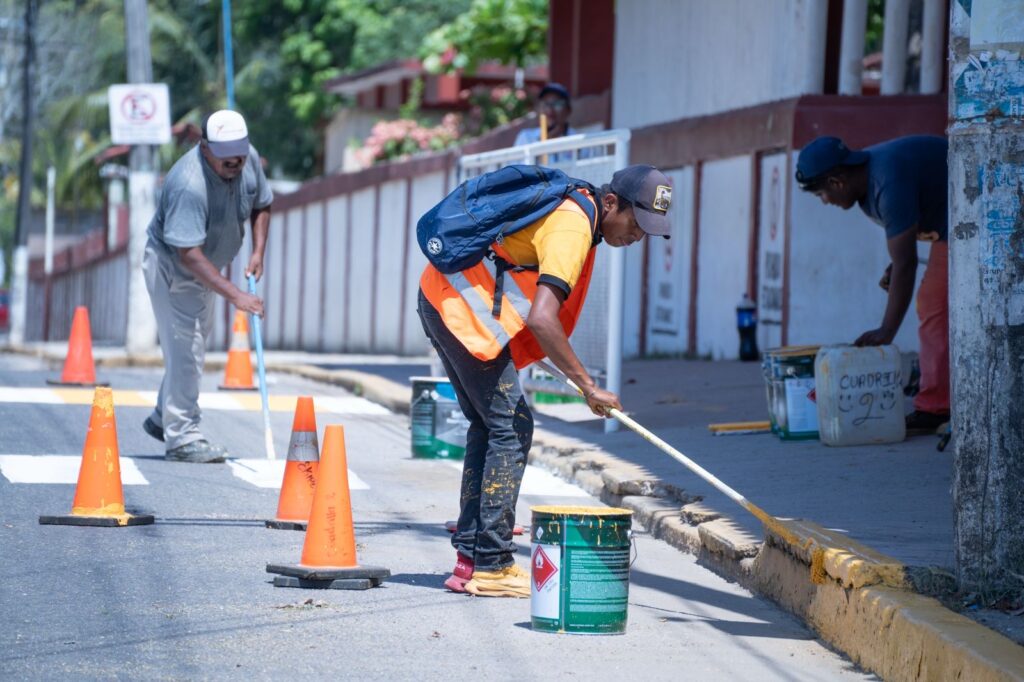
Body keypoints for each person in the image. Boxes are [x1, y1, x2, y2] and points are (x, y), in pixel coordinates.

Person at [418, 165, 674, 597]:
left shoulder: (579, 213)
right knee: (511, 427)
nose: (637, 236)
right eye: (636, 223)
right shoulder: (574, 226)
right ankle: (493, 564)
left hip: (443, 299)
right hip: (461, 314)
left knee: (490, 426)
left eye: (647, 230)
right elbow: (542, 318)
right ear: (612, 203)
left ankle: (471, 559)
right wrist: (588, 386)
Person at [141, 110, 272, 463]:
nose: (235, 161)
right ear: (204, 147)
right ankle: (182, 437)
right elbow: (188, 254)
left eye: (239, 152)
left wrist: (258, 251)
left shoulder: (248, 160)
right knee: (188, 347)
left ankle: (162, 417)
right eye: (225, 154)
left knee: (193, 345)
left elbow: (262, 204)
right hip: (175, 266)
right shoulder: (189, 183)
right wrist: (237, 296)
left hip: (207, 268)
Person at [795, 135, 949, 435]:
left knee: (933, 303)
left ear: (837, 181)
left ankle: (937, 406)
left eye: (822, 194)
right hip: (948, 219)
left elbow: (907, 264)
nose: (825, 201)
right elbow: (904, 250)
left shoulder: (886, 181)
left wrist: (886, 330)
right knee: (934, 300)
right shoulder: (868, 183)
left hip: (976, 207)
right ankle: (941, 394)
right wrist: (897, 265)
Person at [513, 82, 580, 162]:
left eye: (557, 104)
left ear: (568, 110)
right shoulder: (526, 137)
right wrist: (542, 144)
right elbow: (516, 167)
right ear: (538, 109)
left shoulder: (577, 139)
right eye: (545, 104)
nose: (550, 110)